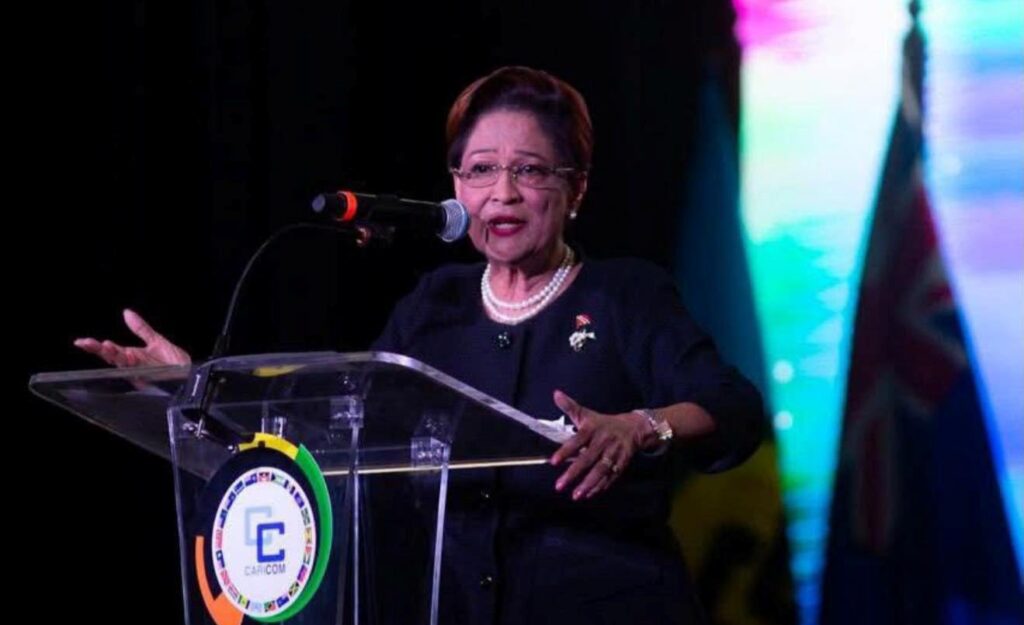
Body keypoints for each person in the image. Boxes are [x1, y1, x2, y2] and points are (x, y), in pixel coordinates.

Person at [76, 65, 764, 624]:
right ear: (456, 187)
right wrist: (196, 386)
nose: (503, 194)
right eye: (480, 171)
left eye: (529, 171)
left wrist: (640, 427)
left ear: (575, 188)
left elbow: (733, 407)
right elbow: (332, 427)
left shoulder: (623, 297)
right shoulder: (435, 307)